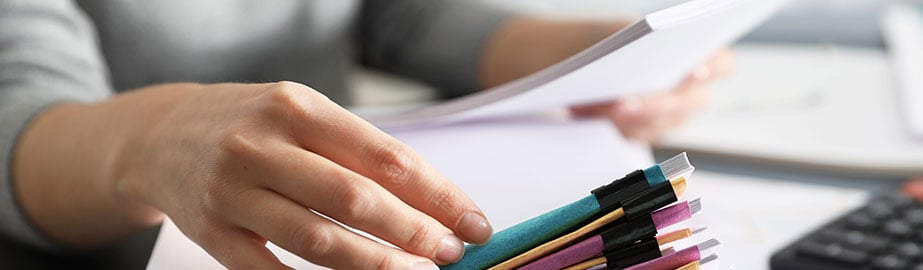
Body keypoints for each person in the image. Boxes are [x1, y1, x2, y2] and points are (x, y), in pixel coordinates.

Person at [0, 0, 731, 269]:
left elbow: (393, 16)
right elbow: (17, 112)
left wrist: (590, 51)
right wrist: (146, 142)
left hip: (346, 237)